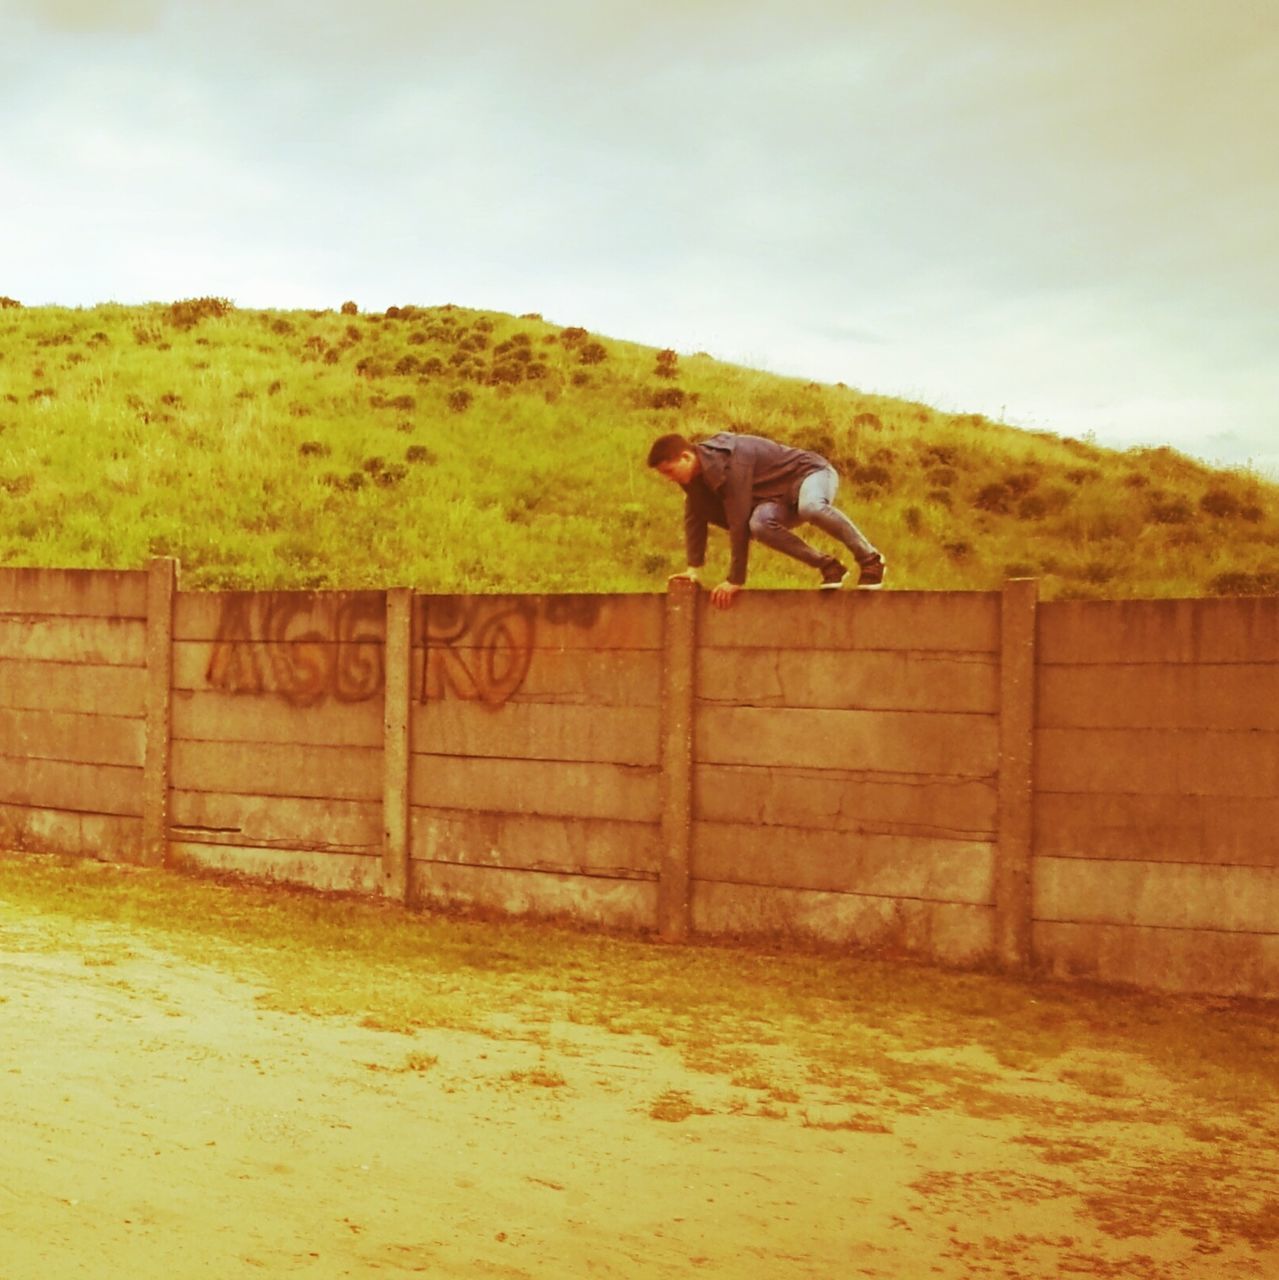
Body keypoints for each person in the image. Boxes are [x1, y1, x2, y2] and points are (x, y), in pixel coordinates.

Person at [647, 430, 886, 609]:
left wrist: (735, 579)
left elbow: (737, 520)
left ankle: (871, 559)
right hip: (776, 499)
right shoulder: (695, 482)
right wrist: (693, 570)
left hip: (810, 474)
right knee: (759, 525)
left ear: (686, 457)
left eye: (669, 471)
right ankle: (829, 567)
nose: (669, 479)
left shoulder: (732, 461)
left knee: (811, 506)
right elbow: (694, 518)